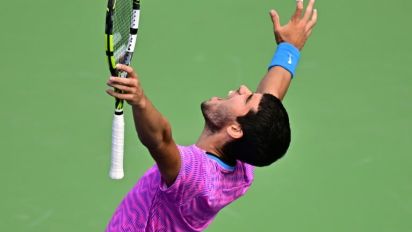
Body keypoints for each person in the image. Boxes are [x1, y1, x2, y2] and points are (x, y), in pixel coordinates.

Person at [106, 0, 317, 231]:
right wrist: (289, 49)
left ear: (235, 129)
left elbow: (160, 139)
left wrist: (140, 101)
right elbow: (271, 95)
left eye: (246, 98)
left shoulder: (195, 177)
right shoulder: (244, 164)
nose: (243, 89)